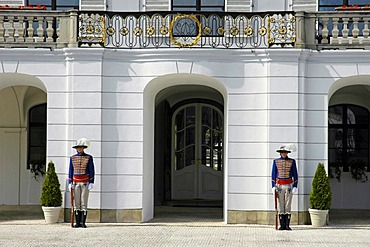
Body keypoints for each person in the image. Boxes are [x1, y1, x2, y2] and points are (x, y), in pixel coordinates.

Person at [68, 138, 95, 228]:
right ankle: (77, 222)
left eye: (81, 148)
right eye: (78, 148)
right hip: (75, 182)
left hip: (85, 182)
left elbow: (91, 170)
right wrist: (70, 182)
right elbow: (71, 171)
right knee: (77, 203)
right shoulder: (73, 158)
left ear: (83, 148)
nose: (79, 149)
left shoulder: (88, 157)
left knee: (84, 202)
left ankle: (83, 222)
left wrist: (91, 182)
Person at [271, 144, 298, 230]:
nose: (284, 154)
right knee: (280, 205)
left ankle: (287, 225)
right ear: (280, 153)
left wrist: (295, 186)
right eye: (282, 152)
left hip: (289, 185)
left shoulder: (292, 161)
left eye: (285, 152)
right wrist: (273, 186)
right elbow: (273, 175)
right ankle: (281, 225)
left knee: (288, 205)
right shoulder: (276, 161)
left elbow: (295, 174)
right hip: (279, 186)